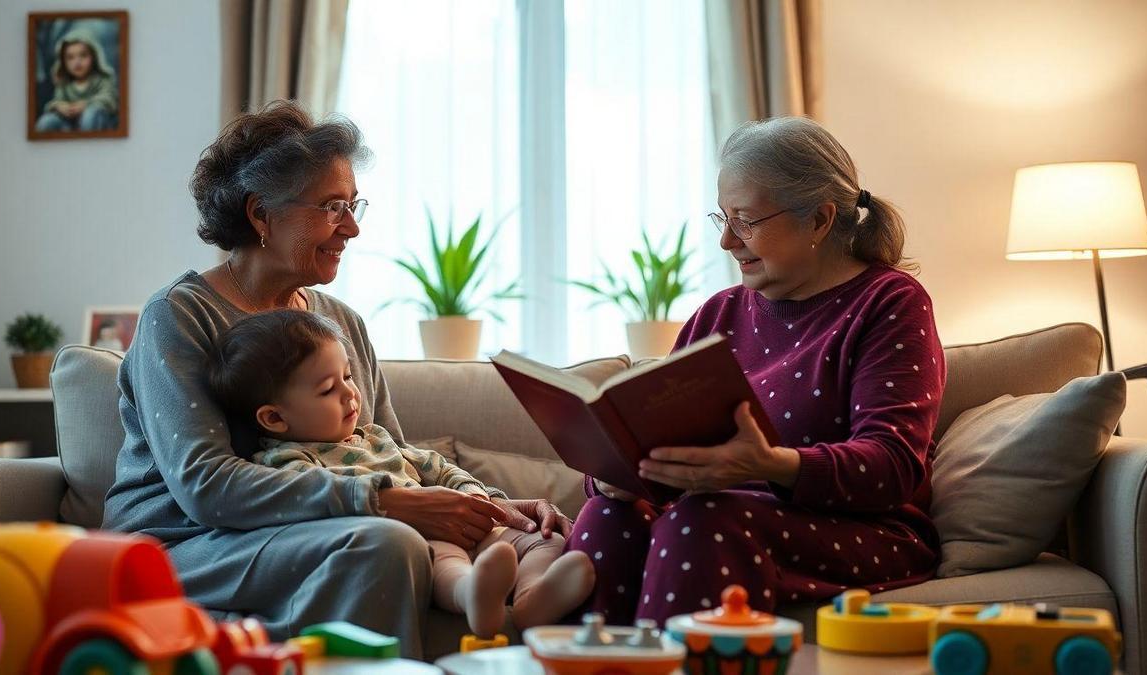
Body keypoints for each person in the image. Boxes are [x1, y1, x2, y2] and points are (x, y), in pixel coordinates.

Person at [102, 100, 573, 656]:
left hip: (302, 532)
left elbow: (387, 454)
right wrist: (383, 503)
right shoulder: (179, 317)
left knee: (531, 540)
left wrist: (497, 505)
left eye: (353, 205)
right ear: (261, 215)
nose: (351, 227)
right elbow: (206, 485)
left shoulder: (340, 322)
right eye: (332, 207)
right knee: (389, 542)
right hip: (186, 543)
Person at [568, 116, 945, 625]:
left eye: (745, 220)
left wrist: (769, 465)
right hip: (718, 517)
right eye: (721, 218)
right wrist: (615, 475)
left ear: (819, 220)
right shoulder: (718, 314)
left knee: (700, 521)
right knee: (609, 516)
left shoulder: (888, 303)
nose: (727, 241)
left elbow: (893, 465)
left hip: (860, 528)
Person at [208, 309, 595, 637]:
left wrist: (479, 497)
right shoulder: (288, 461)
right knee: (445, 562)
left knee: (540, 541)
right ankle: (473, 597)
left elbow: (438, 468)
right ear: (275, 417)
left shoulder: (375, 437)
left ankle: (531, 601)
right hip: (423, 537)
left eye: (348, 376)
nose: (350, 394)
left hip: (469, 525)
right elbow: (318, 498)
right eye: (328, 389)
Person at [35, 30, 119, 132]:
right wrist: (60, 106)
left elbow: (110, 100)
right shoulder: (65, 83)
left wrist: (86, 105)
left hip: (96, 124)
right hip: (69, 126)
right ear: (63, 61)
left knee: (90, 113)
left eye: (83, 55)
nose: (77, 62)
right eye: (70, 58)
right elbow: (56, 101)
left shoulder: (102, 79)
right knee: (46, 121)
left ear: (94, 57)